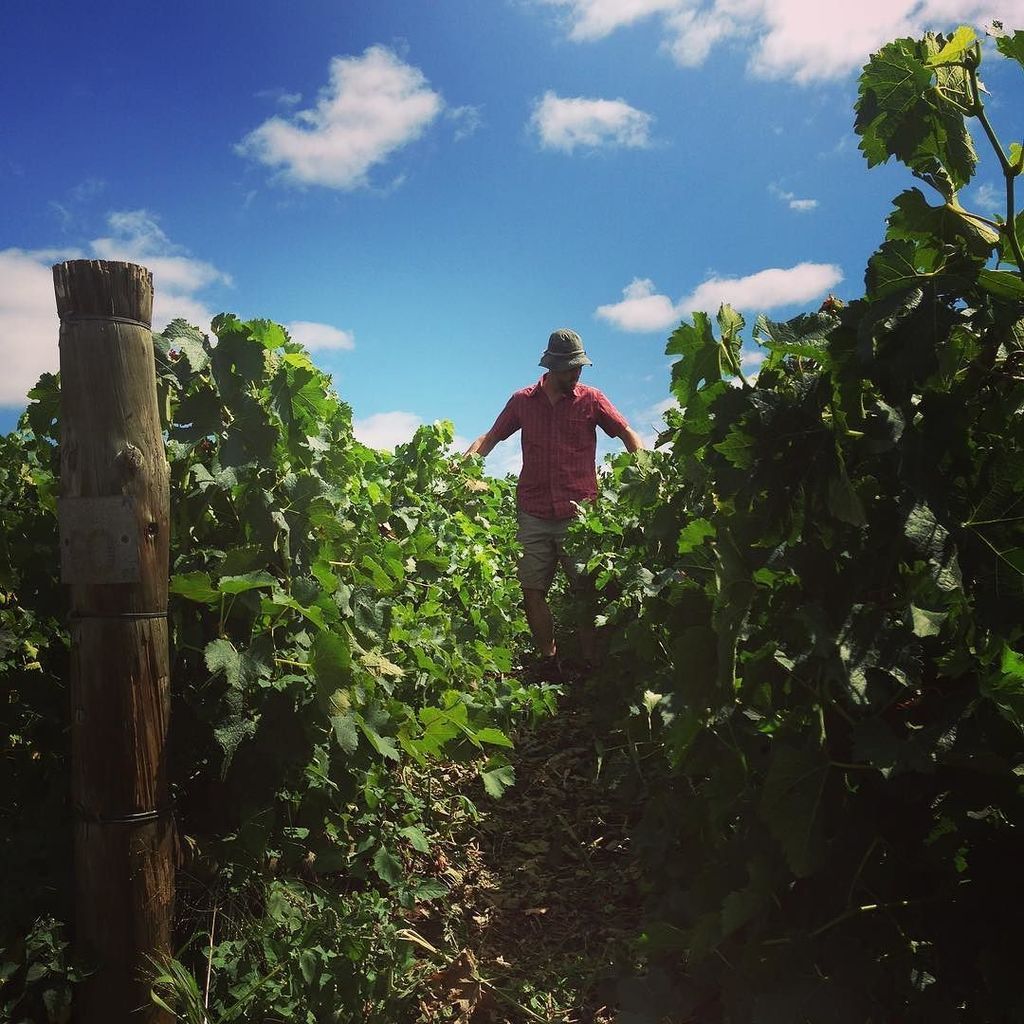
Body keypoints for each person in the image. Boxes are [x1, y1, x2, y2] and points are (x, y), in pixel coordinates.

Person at [465, 328, 644, 678]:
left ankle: (591, 664)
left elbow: (626, 432)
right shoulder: (522, 401)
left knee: (585, 590)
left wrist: (645, 470)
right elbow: (491, 436)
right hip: (532, 510)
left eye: (579, 367)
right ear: (551, 367)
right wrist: (466, 466)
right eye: (569, 369)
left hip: (579, 512)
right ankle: (549, 660)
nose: (576, 374)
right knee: (532, 589)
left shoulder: (591, 399)